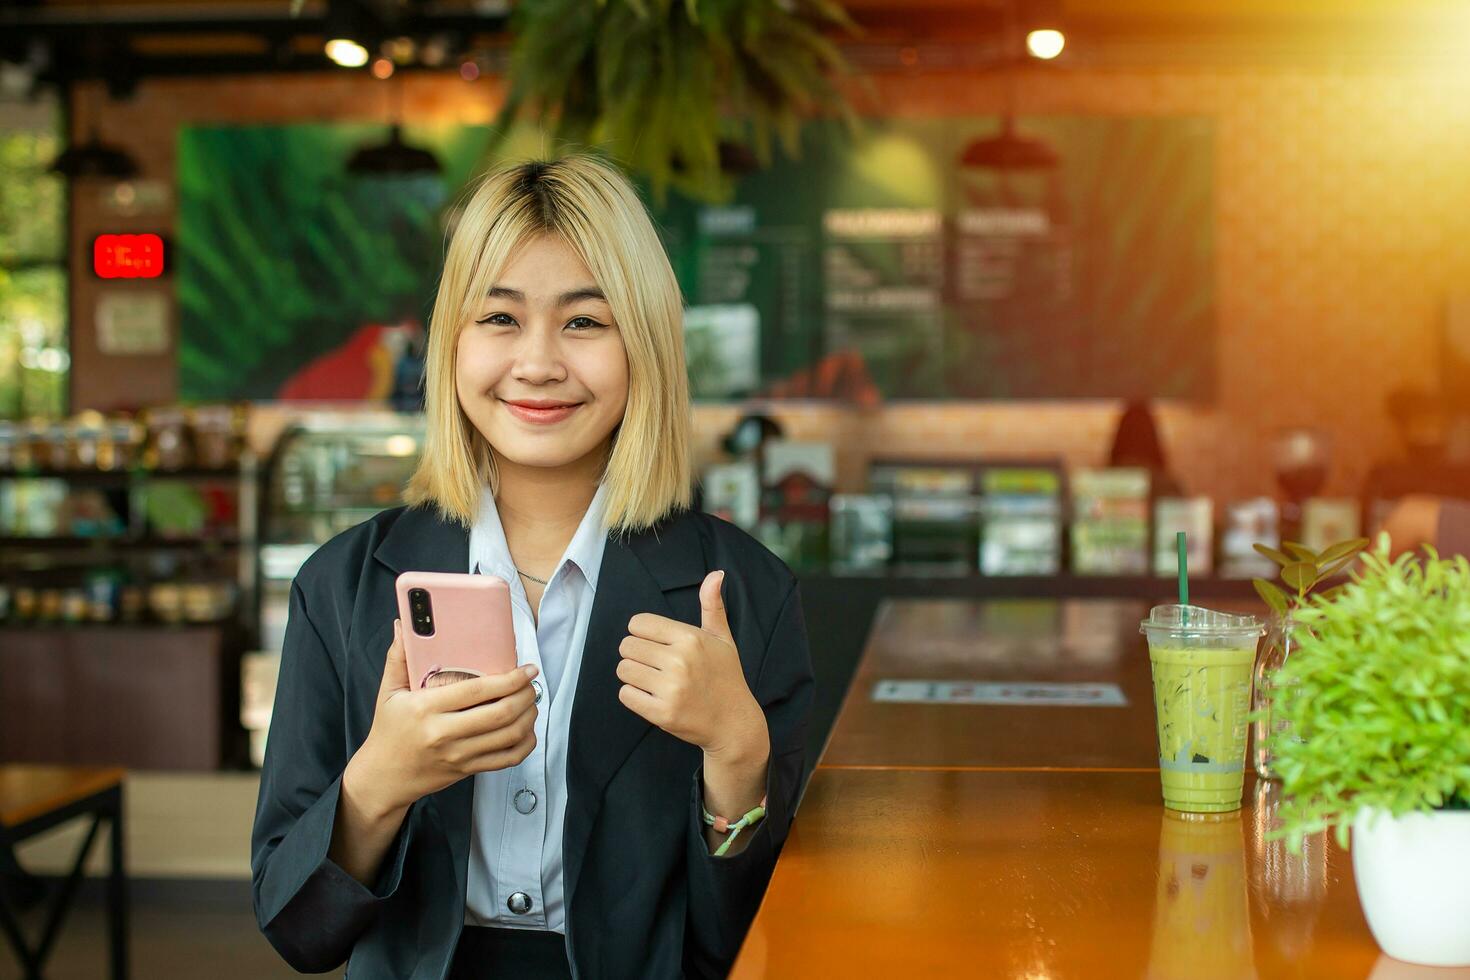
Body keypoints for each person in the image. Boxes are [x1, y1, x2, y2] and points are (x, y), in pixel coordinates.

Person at [250, 156, 815, 979]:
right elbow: (295, 928)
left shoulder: (741, 593)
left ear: (645, 345)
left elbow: (758, 940)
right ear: (453, 341)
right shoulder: (344, 584)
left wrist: (737, 759)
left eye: (585, 322)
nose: (540, 363)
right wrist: (378, 783)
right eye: (500, 319)